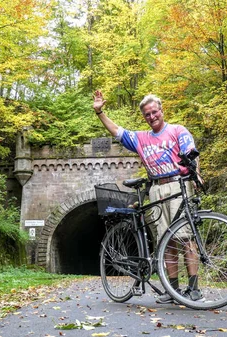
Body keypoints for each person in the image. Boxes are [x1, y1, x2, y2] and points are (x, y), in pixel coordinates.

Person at [92, 90, 202, 303]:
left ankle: (194, 288)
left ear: (161, 110)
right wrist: (100, 112)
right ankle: (173, 291)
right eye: (147, 115)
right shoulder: (141, 138)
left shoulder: (178, 130)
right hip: (156, 189)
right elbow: (117, 131)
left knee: (186, 237)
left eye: (154, 112)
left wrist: (196, 173)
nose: (152, 117)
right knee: (166, 242)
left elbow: (191, 154)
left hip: (178, 185)